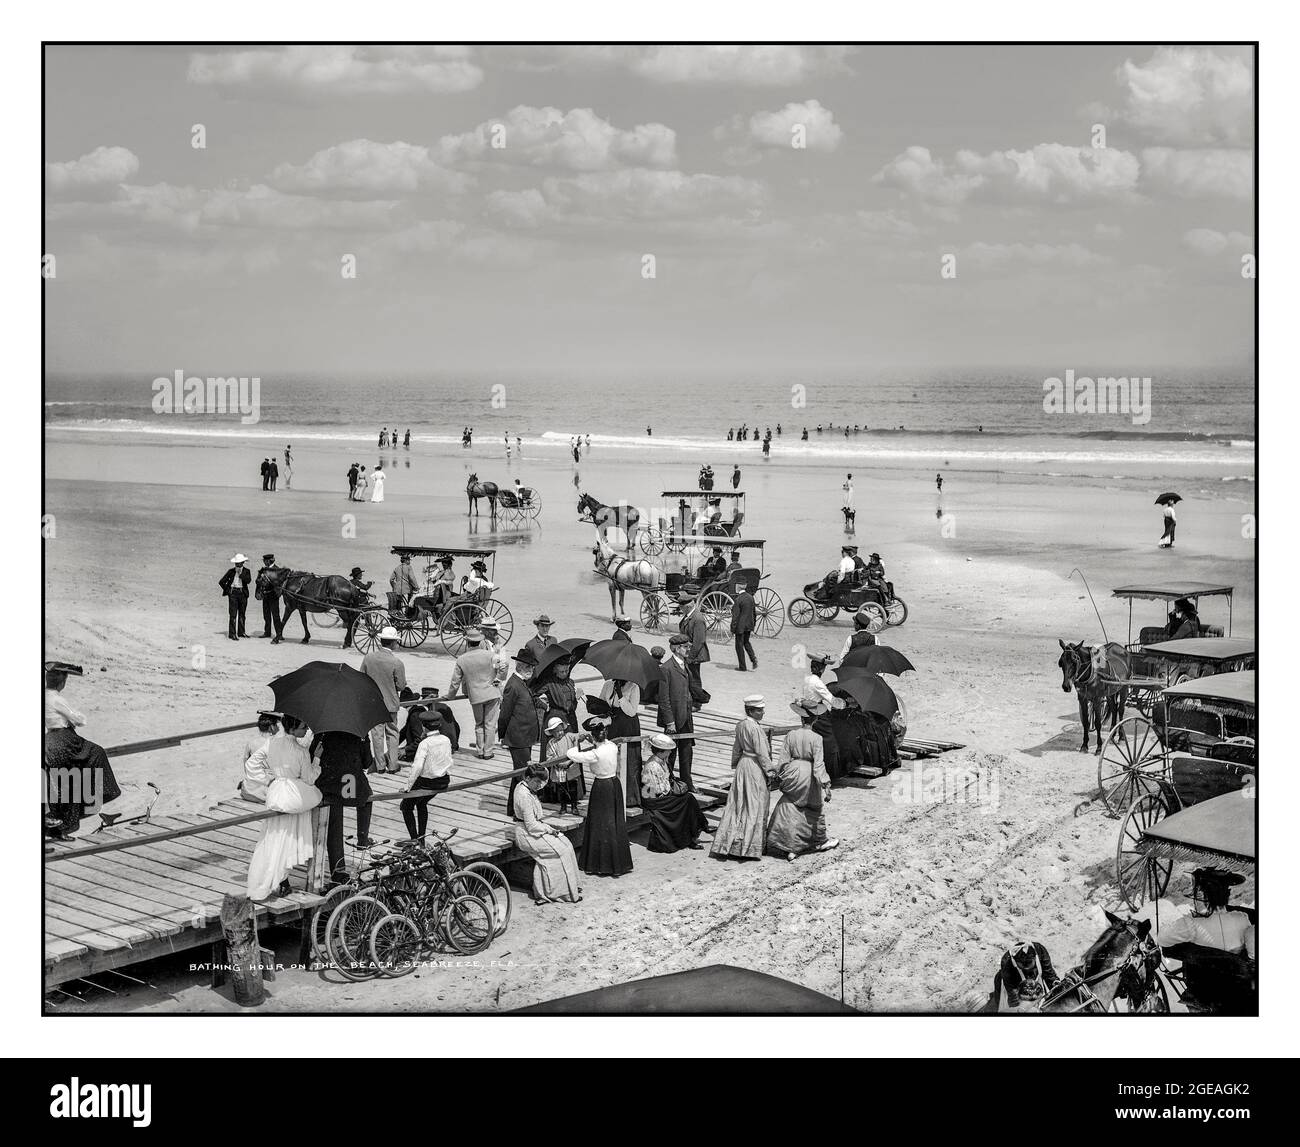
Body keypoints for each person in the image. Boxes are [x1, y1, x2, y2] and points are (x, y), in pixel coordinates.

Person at [1157, 868, 1256, 1013]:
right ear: (1226, 894)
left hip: (1205, 995)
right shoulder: (1242, 918)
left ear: (1203, 895)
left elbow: (1162, 939)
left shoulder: (1191, 924)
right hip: (1241, 995)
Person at [246, 715, 321, 900]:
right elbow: (309, 778)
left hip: (276, 792)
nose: (306, 730)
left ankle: (272, 881)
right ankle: (280, 879)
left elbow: (251, 765)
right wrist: (317, 759)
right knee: (285, 838)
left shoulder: (271, 744)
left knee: (272, 837)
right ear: (294, 728)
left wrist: (270, 779)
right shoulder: (301, 750)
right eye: (304, 726)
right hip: (293, 797)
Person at [43, 661, 121, 838]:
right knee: (96, 753)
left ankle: (59, 828)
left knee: (62, 784)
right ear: (62, 682)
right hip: (64, 740)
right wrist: (75, 718)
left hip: (50, 740)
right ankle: (98, 796)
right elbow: (79, 720)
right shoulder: (56, 698)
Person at [766, 701, 839, 860]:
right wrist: (826, 785)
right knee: (813, 808)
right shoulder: (817, 738)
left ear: (801, 718)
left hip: (793, 770)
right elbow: (819, 764)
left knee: (790, 806)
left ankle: (788, 845)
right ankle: (820, 841)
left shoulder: (791, 735)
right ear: (815, 720)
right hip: (809, 773)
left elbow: (783, 759)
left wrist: (779, 774)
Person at [710, 696, 773, 861]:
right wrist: (770, 772)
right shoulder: (755, 728)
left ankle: (729, 843)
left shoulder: (741, 725)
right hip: (754, 766)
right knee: (754, 804)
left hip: (743, 765)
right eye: (759, 710)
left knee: (738, 803)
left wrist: (736, 764)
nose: (763, 712)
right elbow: (762, 753)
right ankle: (748, 847)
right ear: (751, 711)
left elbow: (737, 747)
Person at [570, 717, 633, 877]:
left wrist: (576, 741)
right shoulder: (612, 746)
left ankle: (599, 863)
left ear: (593, 736)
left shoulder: (595, 753)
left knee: (599, 822)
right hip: (614, 784)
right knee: (614, 820)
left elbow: (573, 755)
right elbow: (603, 745)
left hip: (602, 786)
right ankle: (618, 862)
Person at [311, 729, 374, 884]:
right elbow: (367, 762)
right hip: (351, 782)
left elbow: (312, 753)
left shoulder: (323, 731)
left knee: (334, 829)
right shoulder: (360, 732)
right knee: (367, 798)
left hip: (329, 784)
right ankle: (362, 837)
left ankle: (338, 870)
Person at [513, 763, 583, 904]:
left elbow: (543, 778)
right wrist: (549, 829)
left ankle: (572, 885)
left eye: (540, 782)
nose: (539, 785)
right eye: (536, 782)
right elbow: (532, 826)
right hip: (526, 834)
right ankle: (555, 892)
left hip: (534, 829)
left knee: (567, 844)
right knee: (561, 850)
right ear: (527, 778)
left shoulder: (526, 785)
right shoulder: (524, 796)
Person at [640, 733, 710, 852]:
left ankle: (697, 830)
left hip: (661, 795)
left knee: (688, 800)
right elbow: (656, 790)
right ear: (661, 751)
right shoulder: (652, 766)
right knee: (687, 800)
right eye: (668, 751)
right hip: (654, 799)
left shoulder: (661, 761)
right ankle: (699, 828)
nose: (670, 752)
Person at [446, 629, 502, 759]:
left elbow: (456, 682)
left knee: (479, 724)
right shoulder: (490, 655)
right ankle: (488, 751)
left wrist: (450, 696)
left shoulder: (462, 659)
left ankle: (480, 750)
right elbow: (500, 671)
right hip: (492, 693)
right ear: (480, 641)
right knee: (490, 724)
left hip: (476, 695)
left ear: (467, 642)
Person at [499, 649, 540, 816]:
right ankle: (518, 811)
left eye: (532, 666)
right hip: (518, 738)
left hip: (525, 736)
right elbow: (504, 714)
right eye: (529, 666)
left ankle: (513, 809)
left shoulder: (522, 682)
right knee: (522, 775)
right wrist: (502, 736)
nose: (531, 669)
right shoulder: (513, 684)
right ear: (521, 666)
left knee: (520, 773)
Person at [399, 711, 453, 840]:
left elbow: (417, 767)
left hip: (428, 782)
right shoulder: (446, 740)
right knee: (421, 803)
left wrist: (408, 787)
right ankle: (422, 837)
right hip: (443, 780)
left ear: (424, 727)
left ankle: (415, 839)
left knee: (406, 806)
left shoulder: (425, 743)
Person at [360, 626, 407, 773]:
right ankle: (393, 765)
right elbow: (401, 686)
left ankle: (380, 765)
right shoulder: (397, 662)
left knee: (377, 734)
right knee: (392, 733)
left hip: (374, 703)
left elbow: (362, 678)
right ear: (393, 643)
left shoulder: (369, 658)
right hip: (391, 704)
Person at [656, 636, 696, 791]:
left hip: (686, 717)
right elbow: (663, 699)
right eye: (685, 647)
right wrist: (669, 722)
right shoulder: (666, 668)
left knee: (687, 752)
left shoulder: (685, 665)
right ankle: (668, 784)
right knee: (669, 754)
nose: (688, 649)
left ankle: (688, 783)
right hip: (673, 720)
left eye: (688, 647)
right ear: (676, 648)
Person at [600, 673, 642, 808]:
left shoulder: (634, 686)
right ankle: (612, 795)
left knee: (629, 760)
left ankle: (630, 797)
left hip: (628, 725)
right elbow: (602, 703)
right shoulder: (608, 685)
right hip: (613, 724)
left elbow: (632, 711)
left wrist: (620, 694)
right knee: (612, 759)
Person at [532, 654, 583, 734]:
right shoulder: (549, 683)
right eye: (562, 672)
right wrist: (544, 706)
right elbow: (531, 695)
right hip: (556, 719)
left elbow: (572, 706)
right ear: (555, 670)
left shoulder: (570, 682)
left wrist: (576, 698)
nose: (565, 673)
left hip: (571, 719)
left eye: (567, 671)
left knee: (573, 743)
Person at [542, 715, 583, 812]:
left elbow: (577, 736)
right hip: (559, 769)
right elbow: (550, 757)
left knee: (573, 788)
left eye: (561, 730)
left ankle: (574, 806)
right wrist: (559, 764)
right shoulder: (551, 743)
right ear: (551, 733)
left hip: (571, 766)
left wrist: (581, 737)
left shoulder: (568, 736)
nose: (560, 733)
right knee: (562, 789)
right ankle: (563, 806)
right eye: (556, 731)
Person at [240, 710, 281, 802]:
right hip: (265, 792)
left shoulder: (251, 743)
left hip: (248, 790)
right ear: (272, 727)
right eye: (278, 725)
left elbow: (246, 767)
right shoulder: (277, 743)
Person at [680, 598, 711, 692]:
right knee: (689, 678)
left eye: (681, 607)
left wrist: (690, 657)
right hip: (688, 652)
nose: (680, 609)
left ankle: (697, 702)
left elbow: (699, 641)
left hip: (694, 655)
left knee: (694, 679)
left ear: (688, 607)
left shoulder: (698, 619)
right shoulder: (689, 615)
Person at [219, 554, 251, 640]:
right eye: (236, 563)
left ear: (243, 562)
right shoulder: (231, 571)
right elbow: (221, 581)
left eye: (239, 563)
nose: (237, 565)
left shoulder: (247, 571)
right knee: (233, 615)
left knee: (242, 614)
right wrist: (228, 590)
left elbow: (248, 581)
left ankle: (241, 632)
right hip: (233, 594)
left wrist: (241, 574)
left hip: (243, 594)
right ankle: (232, 634)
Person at [254, 553, 284, 640]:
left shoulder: (277, 570)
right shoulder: (263, 570)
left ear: (268, 561)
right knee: (266, 614)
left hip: (273, 595)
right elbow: (258, 581)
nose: (264, 562)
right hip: (265, 594)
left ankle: (279, 634)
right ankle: (267, 632)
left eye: (265, 561)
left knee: (276, 615)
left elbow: (280, 583)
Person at [730, 582, 758, 672]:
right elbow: (754, 613)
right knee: (746, 642)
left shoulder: (738, 600)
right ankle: (753, 659)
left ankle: (742, 667)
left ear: (738, 587)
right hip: (749, 625)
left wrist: (732, 628)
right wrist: (753, 624)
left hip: (740, 627)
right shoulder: (750, 597)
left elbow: (735, 616)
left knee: (739, 646)